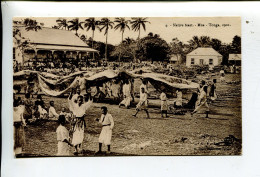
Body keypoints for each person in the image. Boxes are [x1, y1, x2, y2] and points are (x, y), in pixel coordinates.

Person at [68, 91, 93, 155]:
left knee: (81, 134)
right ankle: (75, 149)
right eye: (79, 100)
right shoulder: (74, 106)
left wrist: (90, 95)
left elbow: (90, 102)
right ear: (77, 100)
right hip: (76, 122)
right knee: (75, 134)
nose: (80, 101)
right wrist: (70, 94)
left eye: (81, 100)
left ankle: (79, 147)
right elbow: (70, 101)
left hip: (81, 122)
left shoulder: (84, 106)